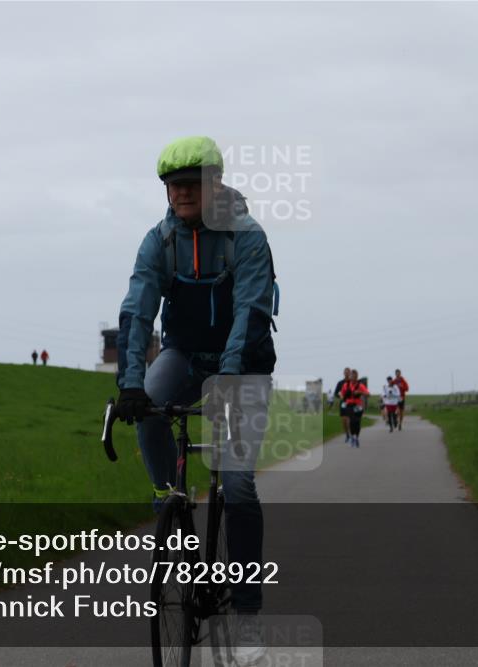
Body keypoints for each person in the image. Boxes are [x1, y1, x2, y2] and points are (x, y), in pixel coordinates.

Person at [113, 136, 276, 664]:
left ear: (215, 184)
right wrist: (129, 383)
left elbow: (251, 310)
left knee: (238, 484)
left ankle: (248, 617)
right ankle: (168, 500)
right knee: (148, 407)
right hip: (183, 354)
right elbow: (137, 309)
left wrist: (228, 376)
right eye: (172, 185)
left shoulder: (247, 237)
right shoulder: (159, 241)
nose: (180, 193)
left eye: (191, 184)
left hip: (243, 365)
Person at [339, 369, 369, 447]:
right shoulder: (346, 385)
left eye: (355, 376)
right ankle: (352, 437)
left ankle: (356, 438)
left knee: (357, 422)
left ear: (357, 377)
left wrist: (360, 392)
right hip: (349, 405)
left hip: (358, 405)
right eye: (352, 376)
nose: (353, 378)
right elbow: (341, 394)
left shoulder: (360, 385)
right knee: (352, 421)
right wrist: (343, 397)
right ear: (350, 377)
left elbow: (368, 394)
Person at [332, 367, 352, 443]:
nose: (347, 373)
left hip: (351, 403)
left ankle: (351, 433)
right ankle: (347, 434)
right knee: (344, 420)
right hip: (343, 403)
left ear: (350, 373)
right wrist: (340, 395)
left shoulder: (353, 383)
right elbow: (336, 393)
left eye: (348, 372)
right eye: (345, 372)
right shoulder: (340, 383)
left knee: (349, 419)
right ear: (343, 373)